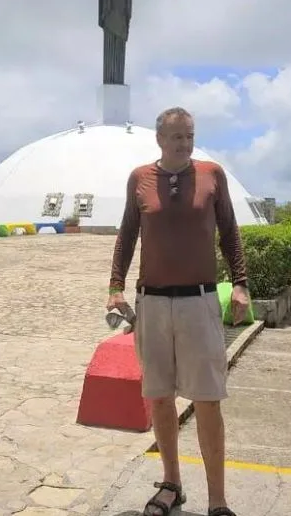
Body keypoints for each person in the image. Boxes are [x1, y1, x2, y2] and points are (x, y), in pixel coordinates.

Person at [108, 106, 247, 516]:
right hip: (152, 300)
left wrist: (240, 284)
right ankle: (171, 484)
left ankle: (218, 501)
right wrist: (115, 287)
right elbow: (127, 235)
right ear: (159, 140)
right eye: (176, 137)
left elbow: (230, 233)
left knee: (207, 399)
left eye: (189, 135)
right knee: (160, 396)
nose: (184, 143)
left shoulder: (212, 174)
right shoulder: (139, 179)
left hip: (199, 301)